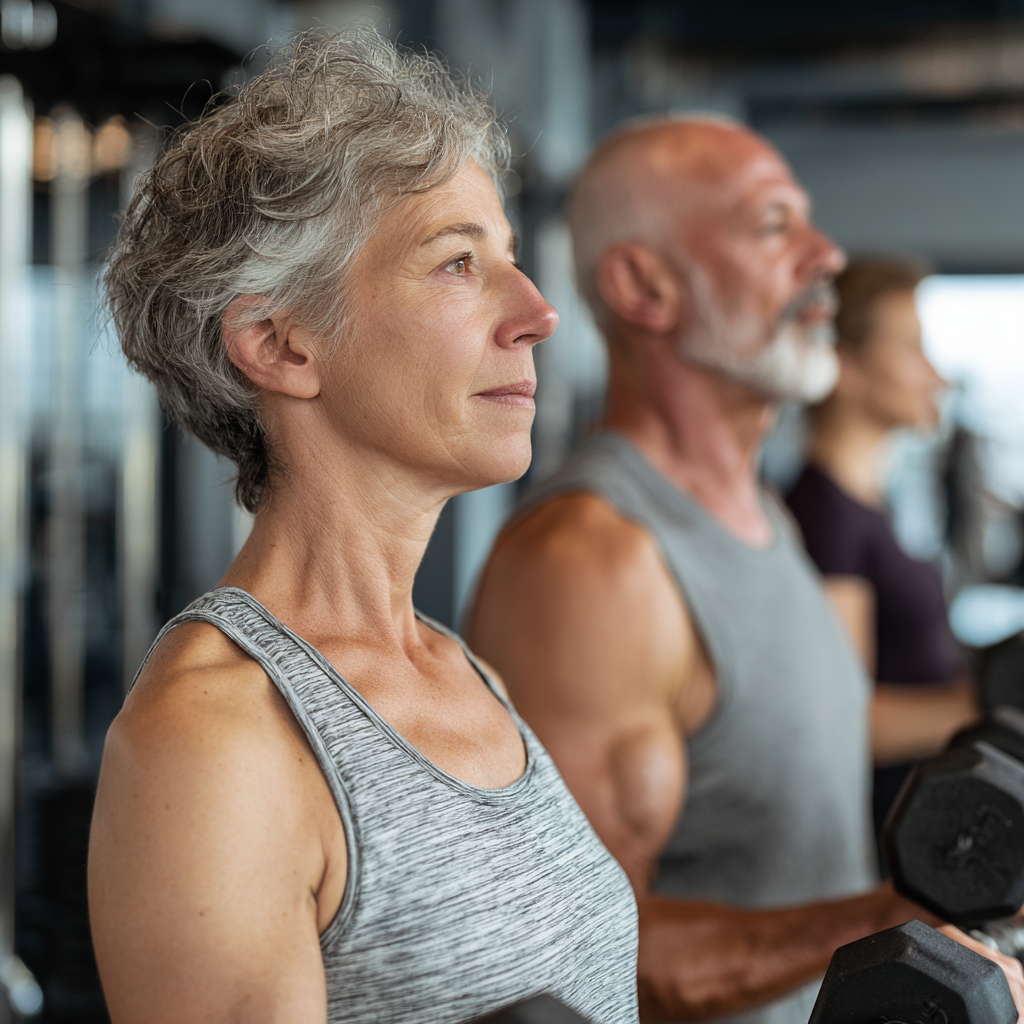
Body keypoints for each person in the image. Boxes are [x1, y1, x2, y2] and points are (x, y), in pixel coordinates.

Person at [89, 28, 639, 1024]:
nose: (536, 312)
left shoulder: (467, 674)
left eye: (507, 258)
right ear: (279, 343)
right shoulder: (217, 744)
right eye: (456, 265)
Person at [466, 118, 1024, 1024]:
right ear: (643, 285)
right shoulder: (590, 561)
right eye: (772, 226)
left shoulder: (766, 515)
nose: (826, 254)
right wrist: (908, 914)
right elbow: (583, 948)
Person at [786, 258, 979, 843]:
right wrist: (984, 707)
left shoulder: (868, 504)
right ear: (844, 365)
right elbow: (849, 722)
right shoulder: (825, 519)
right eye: (911, 348)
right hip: (881, 842)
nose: (935, 375)